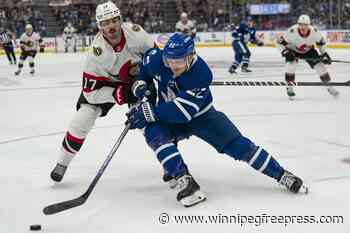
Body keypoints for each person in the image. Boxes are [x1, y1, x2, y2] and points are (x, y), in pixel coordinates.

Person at [126, 33, 308, 207]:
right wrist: (142, 89)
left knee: (239, 146)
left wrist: (147, 112)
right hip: (168, 114)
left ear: (190, 57)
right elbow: (144, 74)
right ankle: (183, 178)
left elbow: (182, 112)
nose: (173, 66)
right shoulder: (155, 58)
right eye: (169, 61)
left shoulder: (201, 73)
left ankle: (282, 174)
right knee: (154, 132)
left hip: (202, 116)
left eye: (179, 61)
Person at [50, 1, 155, 182]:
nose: (111, 26)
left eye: (114, 20)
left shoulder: (136, 34)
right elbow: (90, 92)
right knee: (81, 120)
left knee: (150, 122)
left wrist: (154, 82)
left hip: (138, 82)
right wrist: (119, 94)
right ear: (99, 26)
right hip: (106, 87)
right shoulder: (96, 53)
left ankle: (171, 164)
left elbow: (156, 59)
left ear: (120, 20)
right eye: (105, 23)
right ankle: (62, 162)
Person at [277, 14, 339, 100]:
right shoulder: (291, 31)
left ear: (309, 25)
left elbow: (321, 43)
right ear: (298, 24)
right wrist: (285, 51)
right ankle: (289, 87)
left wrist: (324, 54)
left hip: (308, 51)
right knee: (291, 67)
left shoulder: (315, 32)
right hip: (293, 50)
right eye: (300, 24)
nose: (302, 27)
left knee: (320, 67)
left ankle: (329, 86)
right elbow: (279, 43)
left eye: (305, 25)